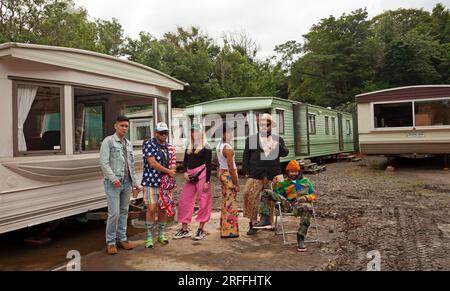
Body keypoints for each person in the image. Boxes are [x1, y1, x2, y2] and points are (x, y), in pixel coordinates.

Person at [242, 113, 289, 235]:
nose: (264, 127)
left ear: (271, 126)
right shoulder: (252, 139)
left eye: (267, 125)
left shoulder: (277, 139)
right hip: (255, 174)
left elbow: (285, 153)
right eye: (261, 124)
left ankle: (269, 223)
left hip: (272, 174)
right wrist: (246, 171)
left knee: (271, 199)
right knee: (250, 196)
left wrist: (277, 146)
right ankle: (253, 224)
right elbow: (246, 156)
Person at [100, 115, 139, 255]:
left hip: (127, 183)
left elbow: (131, 165)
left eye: (126, 126)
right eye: (122, 125)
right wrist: (113, 179)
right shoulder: (108, 142)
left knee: (124, 212)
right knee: (114, 214)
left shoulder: (128, 143)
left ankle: (122, 238)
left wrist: (135, 183)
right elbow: (104, 163)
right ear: (115, 126)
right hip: (113, 184)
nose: (124, 128)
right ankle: (110, 242)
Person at [259, 160, 317, 252]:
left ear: (299, 171)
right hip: (288, 205)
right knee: (266, 192)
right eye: (291, 171)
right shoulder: (283, 182)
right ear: (288, 172)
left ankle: (301, 237)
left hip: (302, 205)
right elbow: (277, 194)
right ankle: (265, 218)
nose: (294, 173)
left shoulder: (306, 181)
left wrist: (306, 197)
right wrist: (274, 185)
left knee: (307, 207)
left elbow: (314, 195)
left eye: (296, 171)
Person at [174, 123, 212, 240]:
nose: (193, 134)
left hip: (202, 174)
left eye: (196, 131)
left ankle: (201, 228)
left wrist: (207, 181)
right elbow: (185, 161)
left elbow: (209, 165)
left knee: (204, 201)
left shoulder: (206, 146)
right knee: (184, 200)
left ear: (201, 133)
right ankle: (184, 229)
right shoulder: (189, 145)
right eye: (192, 131)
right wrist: (185, 172)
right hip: (189, 175)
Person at [141, 122, 177, 249]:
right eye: (161, 133)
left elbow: (173, 161)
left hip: (165, 184)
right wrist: (169, 171)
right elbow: (152, 163)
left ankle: (161, 234)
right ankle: (149, 236)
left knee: (163, 209)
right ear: (156, 133)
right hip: (151, 182)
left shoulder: (169, 147)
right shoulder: (148, 144)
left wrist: (172, 169)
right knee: (151, 208)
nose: (164, 135)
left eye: (165, 133)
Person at [217, 122, 240, 238]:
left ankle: (223, 228)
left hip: (222, 173)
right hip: (229, 175)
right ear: (224, 134)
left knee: (225, 202)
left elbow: (220, 163)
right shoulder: (227, 148)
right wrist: (236, 183)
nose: (231, 134)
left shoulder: (219, 146)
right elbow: (231, 167)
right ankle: (229, 231)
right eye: (229, 132)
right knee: (231, 204)